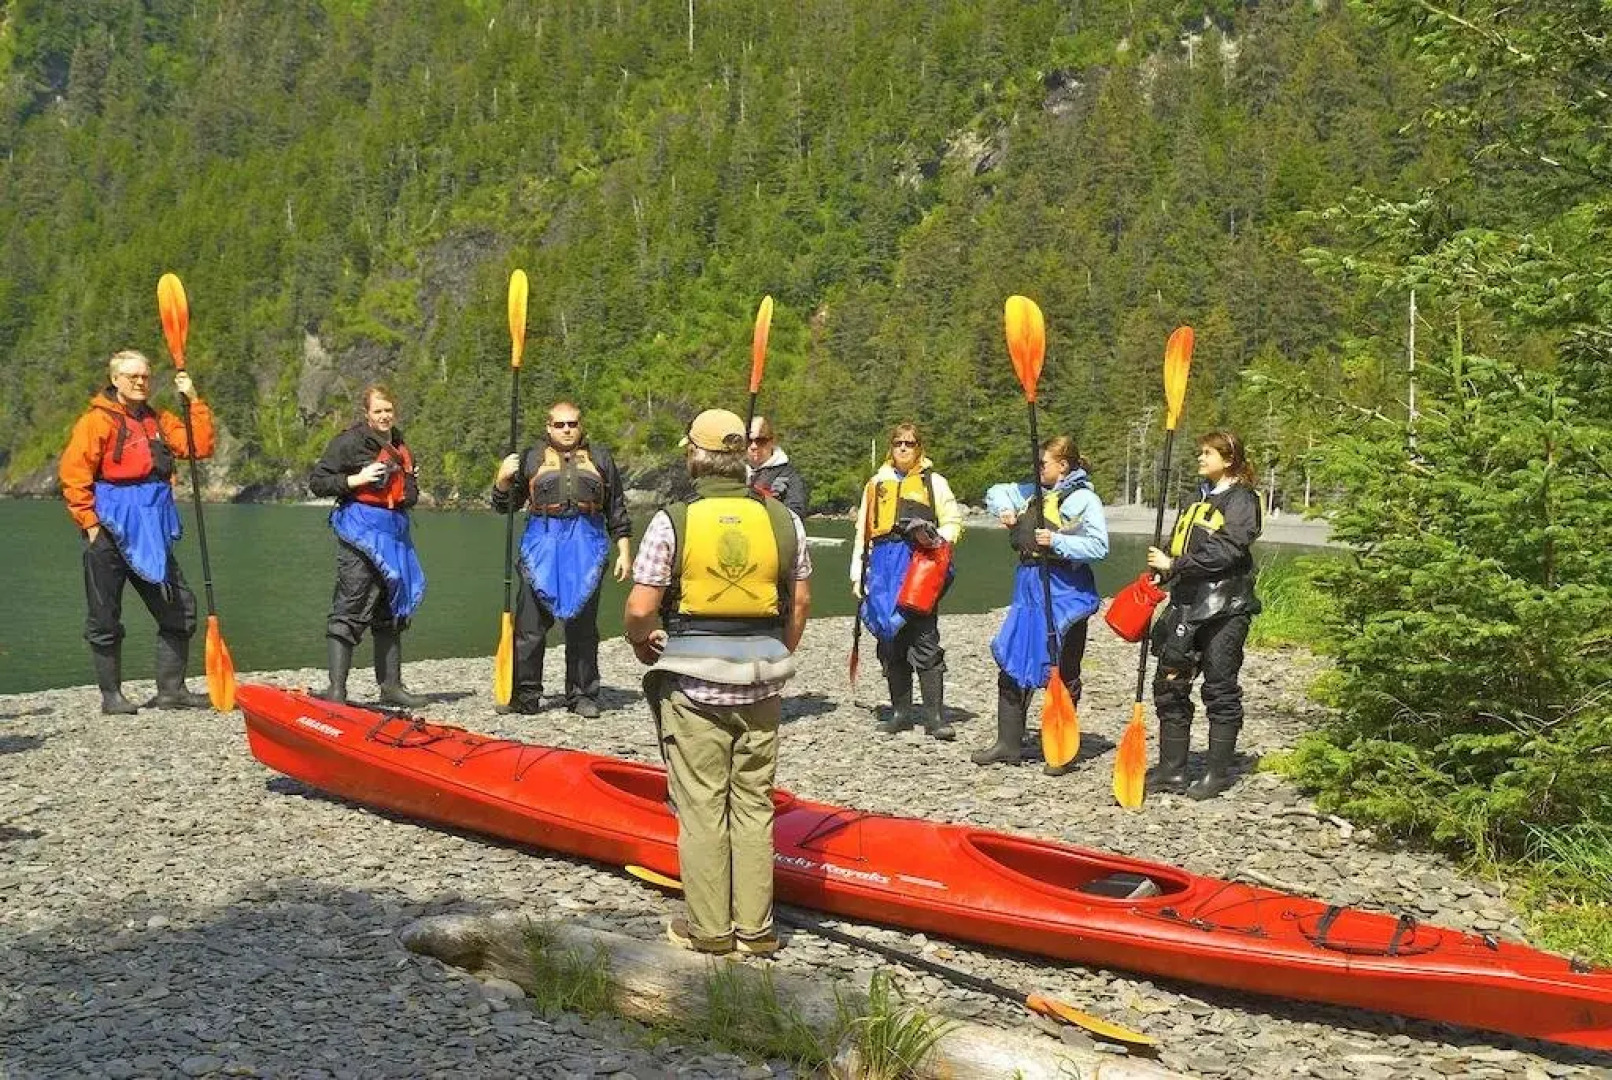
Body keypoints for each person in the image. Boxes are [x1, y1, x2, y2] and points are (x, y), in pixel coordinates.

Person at [625, 408, 812, 955]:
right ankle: (756, 930)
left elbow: (640, 607)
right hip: (762, 682)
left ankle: (709, 931)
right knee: (754, 804)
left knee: (704, 806)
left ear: (694, 457)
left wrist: (642, 641)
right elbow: (799, 603)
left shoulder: (673, 521)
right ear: (744, 457)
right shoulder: (784, 521)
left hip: (696, 684)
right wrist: (778, 650)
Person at [59, 350, 217, 714]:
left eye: (145, 376)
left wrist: (193, 399)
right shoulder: (96, 422)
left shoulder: (158, 419)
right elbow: (73, 474)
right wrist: (90, 524)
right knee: (105, 615)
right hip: (109, 532)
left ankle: (171, 691)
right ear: (115, 379)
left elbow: (199, 446)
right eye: (132, 376)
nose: (140, 382)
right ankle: (112, 697)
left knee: (180, 609)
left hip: (153, 531)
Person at [974, 436, 1109, 773]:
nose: (1037, 469)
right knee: (1013, 657)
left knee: (1062, 668)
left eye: (1043, 464)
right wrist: (1004, 510)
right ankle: (1008, 743)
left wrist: (1058, 541)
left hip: (1066, 590)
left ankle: (1059, 750)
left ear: (1063, 466)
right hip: (1030, 587)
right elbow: (996, 491)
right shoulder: (1034, 491)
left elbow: (1099, 547)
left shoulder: (1083, 500)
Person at [492, 401, 632, 718]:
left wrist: (624, 550)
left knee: (583, 628)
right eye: (560, 425)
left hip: (586, 545)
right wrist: (502, 480)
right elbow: (506, 506)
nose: (567, 429)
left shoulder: (600, 459)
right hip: (541, 544)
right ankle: (525, 695)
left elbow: (617, 508)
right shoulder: (530, 458)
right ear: (548, 427)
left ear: (581, 426)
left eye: (572, 424)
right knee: (530, 626)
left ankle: (582, 694)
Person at [1145, 430, 1263, 800]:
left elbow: (1228, 551)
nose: (1201, 458)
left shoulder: (1242, 500)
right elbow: (1184, 540)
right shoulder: (1197, 497)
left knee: (1220, 688)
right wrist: (1163, 568)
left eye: (1208, 453)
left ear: (1228, 460)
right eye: (1201, 452)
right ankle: (1172, 769)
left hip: (1225, 608)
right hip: (1185, 602)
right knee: (1169, 683)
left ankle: (1215, 774)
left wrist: (1176, 562)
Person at [307, 384, 427, 707]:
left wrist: (411, 480)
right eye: (378, 411)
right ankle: (336, 690)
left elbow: (409, 493)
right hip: (359, 533)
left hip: (393, 535)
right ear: (367, 414)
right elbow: (318, 482)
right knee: (351, 604)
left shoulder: (401, 445)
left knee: (391, 610)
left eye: (388, 410)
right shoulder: (348, 442)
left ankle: (391, 687)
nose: (385, 416)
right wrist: (355, 480)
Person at [850, 423, 963, 740]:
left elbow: (953, 523)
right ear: (890, 447)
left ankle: (935, 717)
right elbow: (863, 532)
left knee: (925, 640)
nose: (903, 448)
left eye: (909, 444)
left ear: (919, 448)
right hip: (884, 569)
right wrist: (858, 575)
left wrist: (934, 536)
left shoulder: (934, 483)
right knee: (890, 642)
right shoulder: (875, 484)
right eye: (898, 443)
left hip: (920, 567)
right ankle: (900, 713)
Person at [746, 416, 809, 520]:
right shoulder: (734, 471)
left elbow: (797, 512)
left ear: (772, 441)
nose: (754, 446)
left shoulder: (789, 475)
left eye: (760, 441)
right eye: (748, 441)